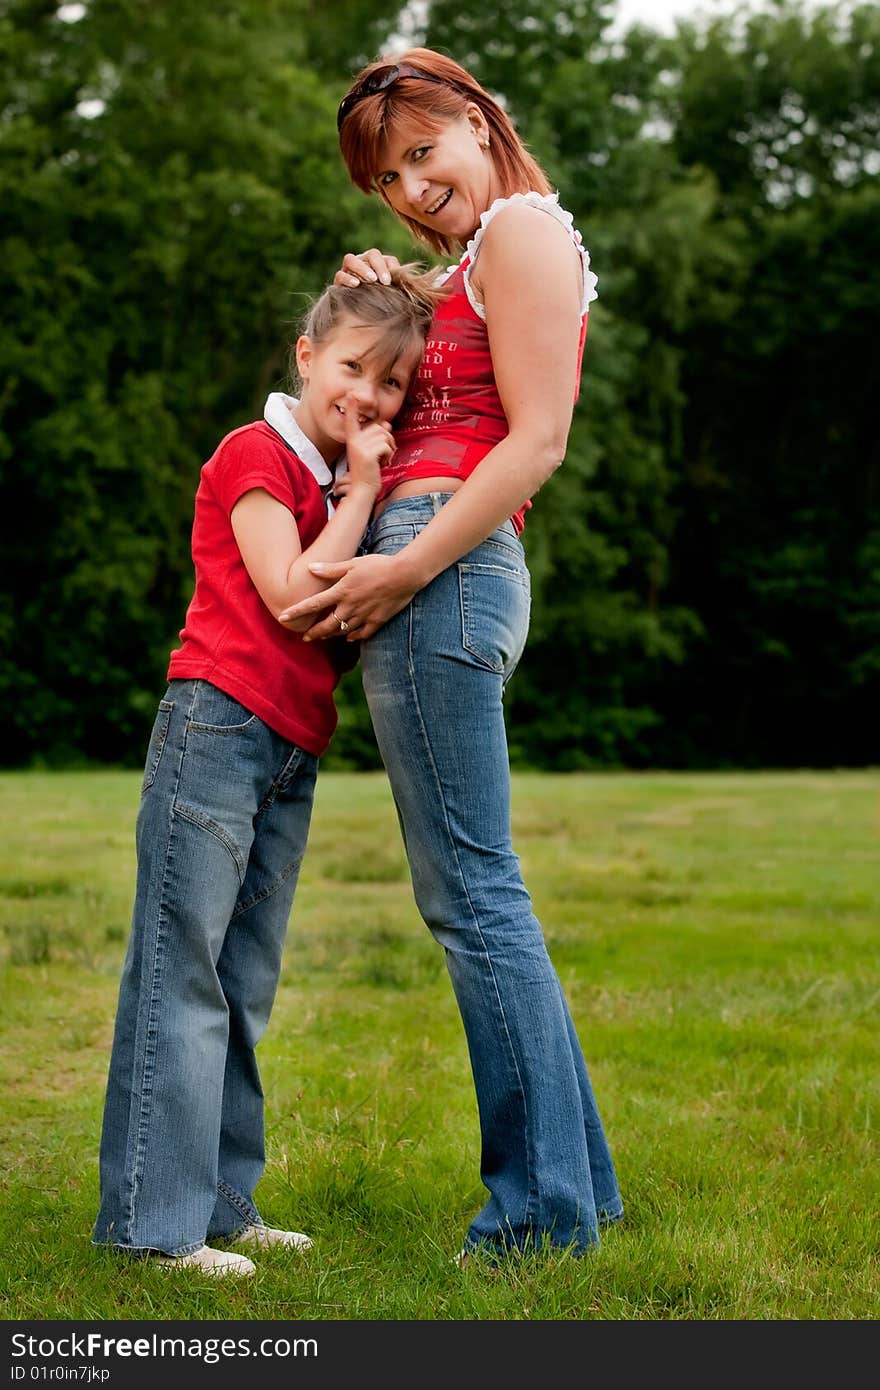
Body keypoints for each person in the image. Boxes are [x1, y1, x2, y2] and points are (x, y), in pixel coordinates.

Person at [279, 48, 624, 1261]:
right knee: (482, 889)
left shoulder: (525, 225)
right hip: (433, 555)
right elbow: (429, 372)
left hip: (443, 560)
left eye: (424, 153)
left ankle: (538, 1217)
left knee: (474, 894)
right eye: (388, 178)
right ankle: (582, 1190)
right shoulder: (478, 259)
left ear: (478, 124)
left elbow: (534, 444)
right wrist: (392, 293)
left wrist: (401, 568)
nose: (413, 187)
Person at [92, 264, 442, 1276]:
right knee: (183, 971)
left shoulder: (332, 479)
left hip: (290, 746)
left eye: (391, 385)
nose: (368, 397)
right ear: (305, 355)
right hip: (218, 723)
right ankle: (154, 1227)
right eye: (352, 369)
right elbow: (293, 597)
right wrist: (367, 490)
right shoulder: (256, 454)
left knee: (243, 982)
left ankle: (222, 1203)